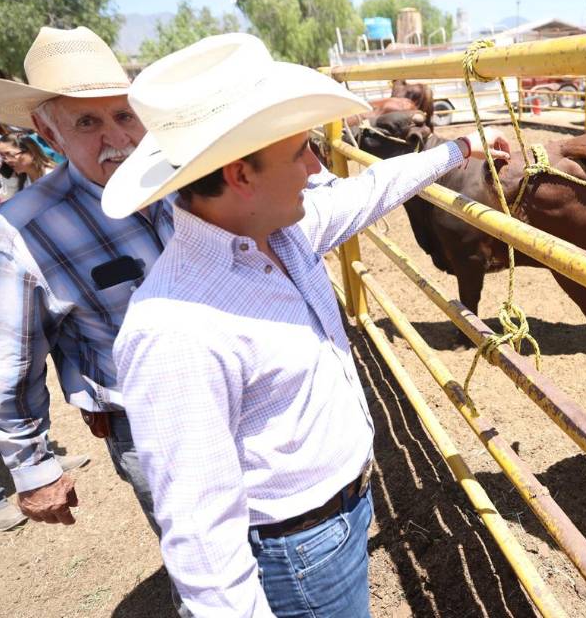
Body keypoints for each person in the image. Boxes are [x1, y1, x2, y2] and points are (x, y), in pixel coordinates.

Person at [105, 33, 510, 617]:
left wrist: (457, 151)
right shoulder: (173, 329)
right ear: (242, 174)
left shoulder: (281, 233)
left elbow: (370, 190)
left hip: (337, 513)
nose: (318, 165)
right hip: (296, 546)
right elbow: (202, 537)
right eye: (300, 151)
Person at [0, 26, 186, 614]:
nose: (118, 139)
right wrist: (33, 469)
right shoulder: (22, 230)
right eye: (87, 123)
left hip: (242, 393)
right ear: (46, 131)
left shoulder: (183, 176)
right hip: (150, 419)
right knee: (199, 559)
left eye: (124, 116)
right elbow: (14, 359)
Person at [0, 132, 57, 199]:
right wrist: (8, 174)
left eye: (10, 154)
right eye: (3, 157)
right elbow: (7, 197)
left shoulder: (52, 175)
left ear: (31, 152)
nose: (7, 161)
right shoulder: (23, 179)